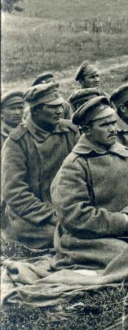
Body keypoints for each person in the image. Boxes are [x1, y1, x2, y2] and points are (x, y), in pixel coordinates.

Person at [51, 96, 128, 265]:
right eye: (105, 125)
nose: (113, 129)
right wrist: (120, 221)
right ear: (87, 130)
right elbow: (74, 215)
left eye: (113, 123)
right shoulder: (74, 165)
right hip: (88, 236)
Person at [1, 84, 79, 249]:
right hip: (31, 217)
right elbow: (14, 192)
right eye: (52, 107)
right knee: (68, 239)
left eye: (60, 105)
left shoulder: (71, 132)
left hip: (68, 208)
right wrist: (51, 215)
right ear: (35, 110)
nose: (59, 110)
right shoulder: (17, 142)